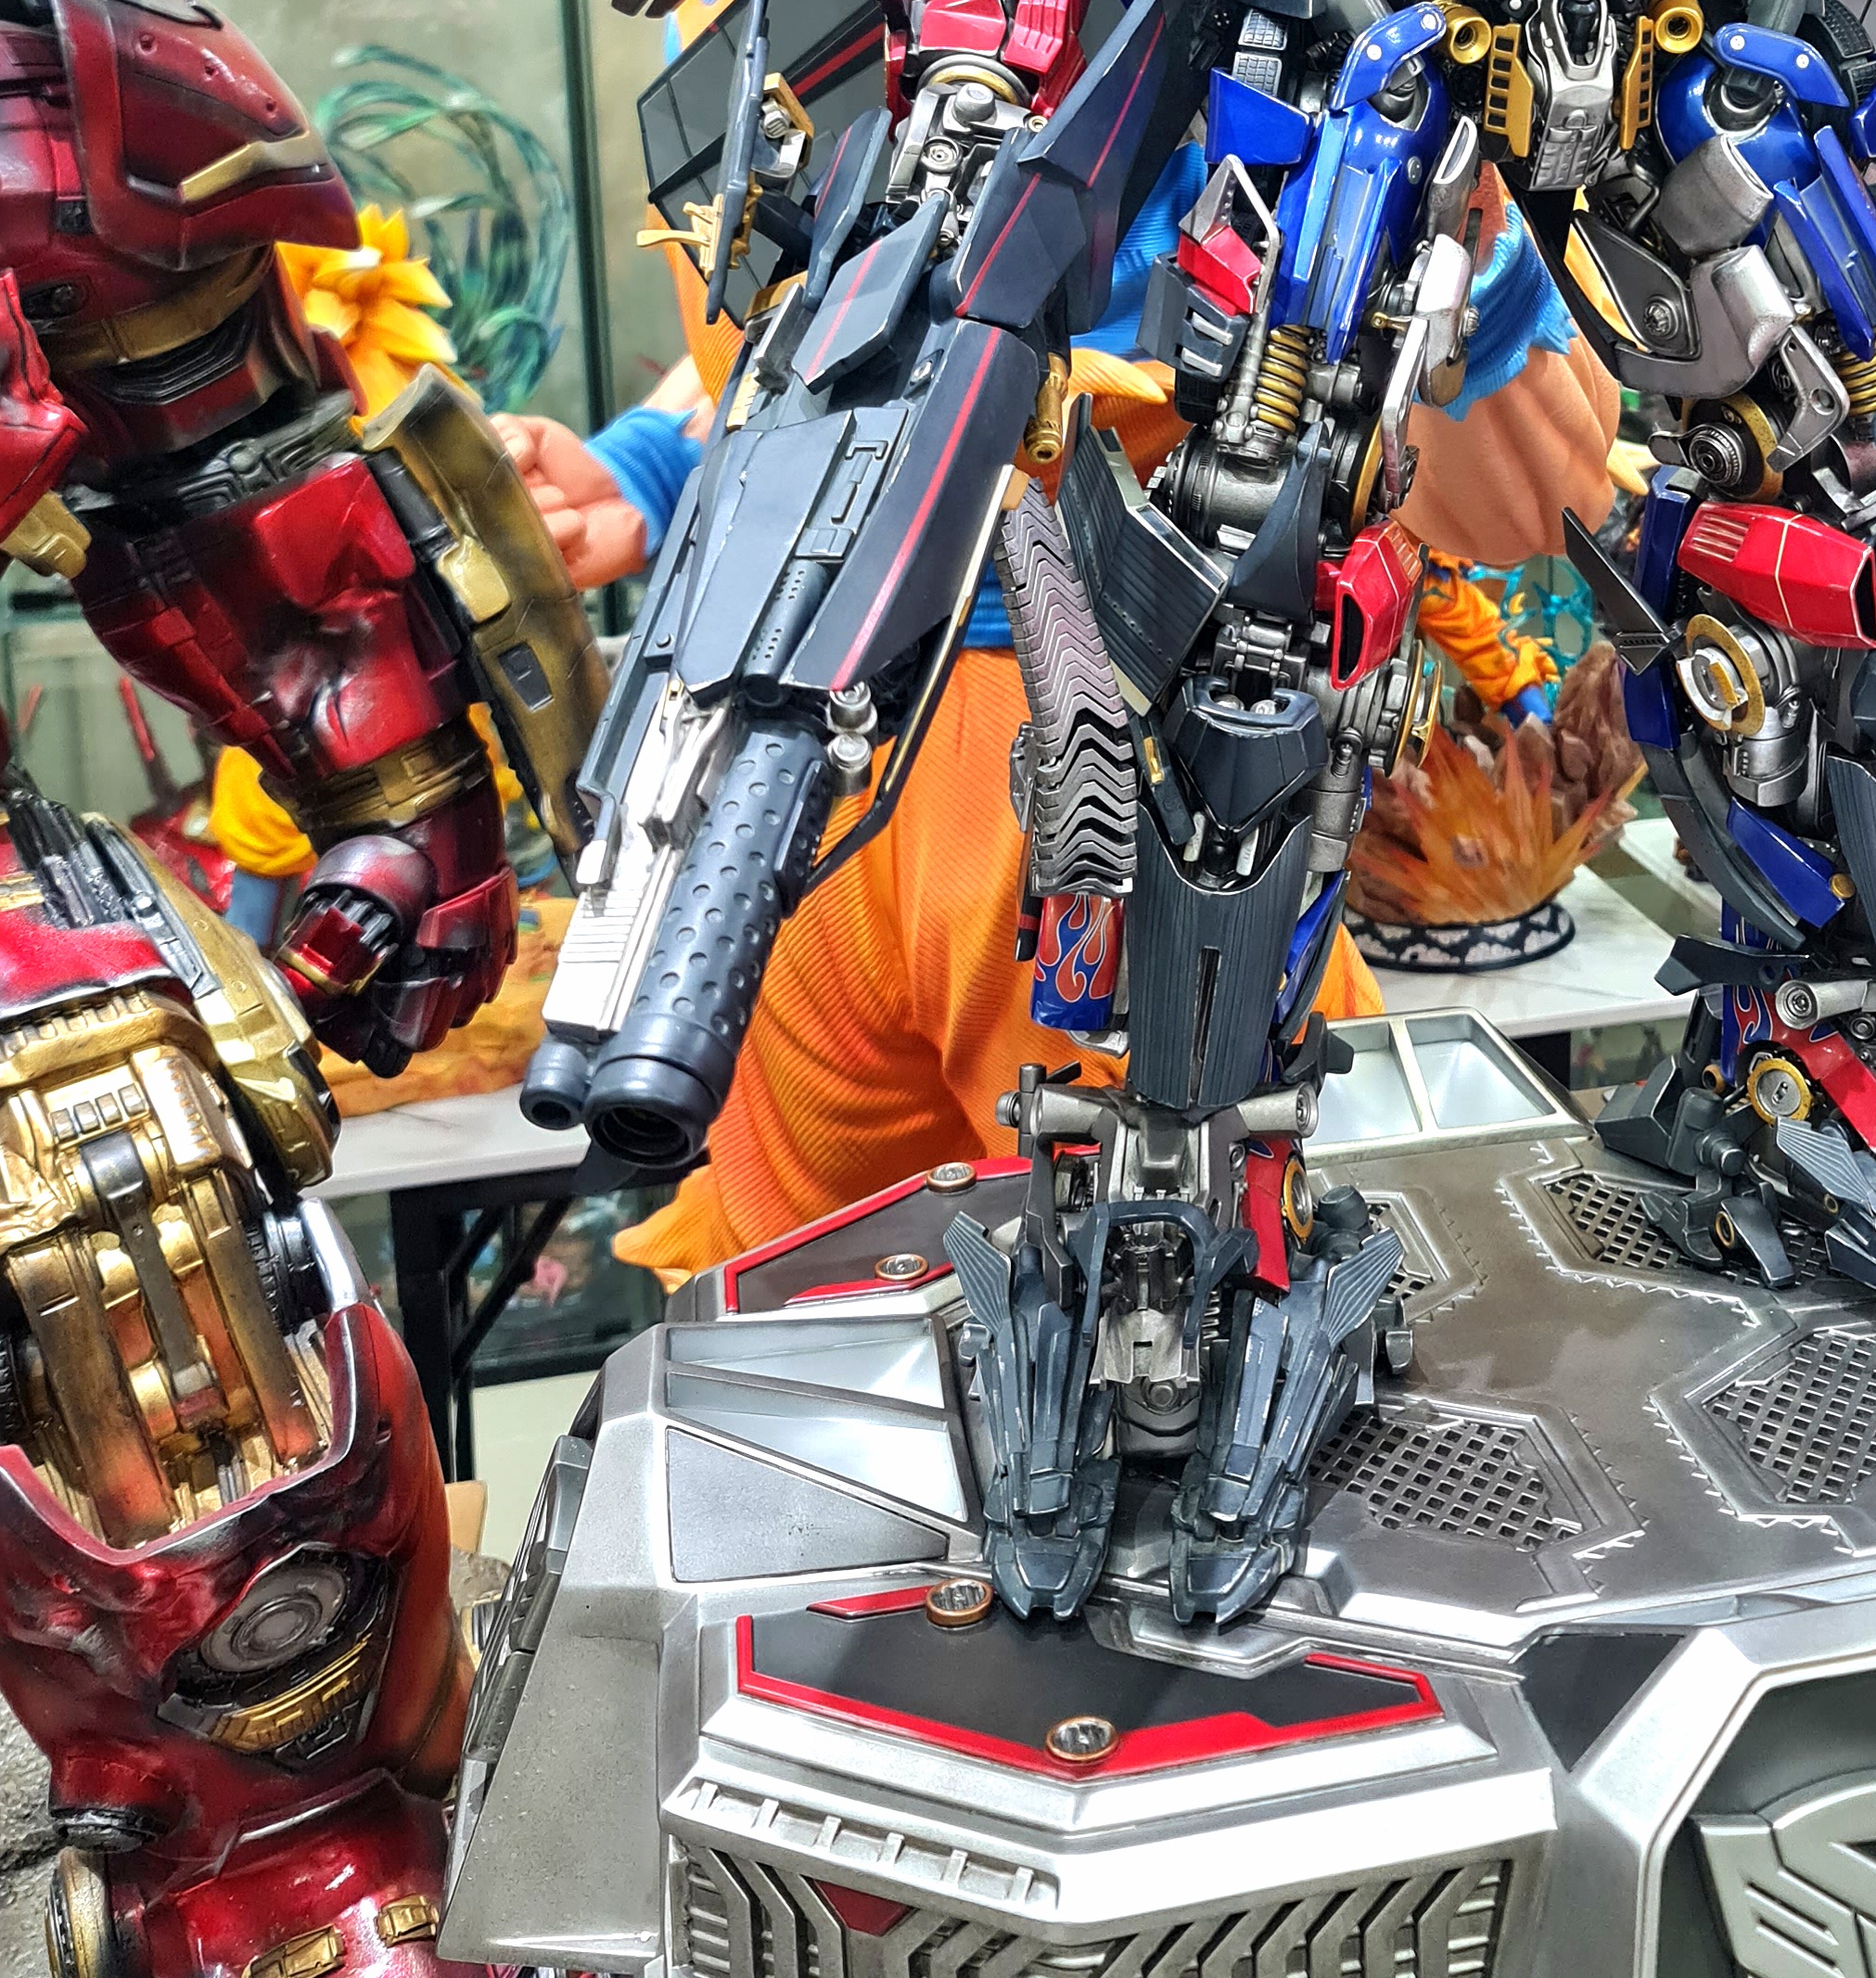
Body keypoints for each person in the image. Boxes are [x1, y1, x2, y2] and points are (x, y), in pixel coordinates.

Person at [500, 138, 1618, 1270]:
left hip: (1117, 732)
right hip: (791, 753)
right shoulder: (779, 19)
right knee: (806, 1291)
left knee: (1210, 1266)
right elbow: (846, 246)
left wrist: (1442, 214)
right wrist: (660, 468)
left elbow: (1537, 497)